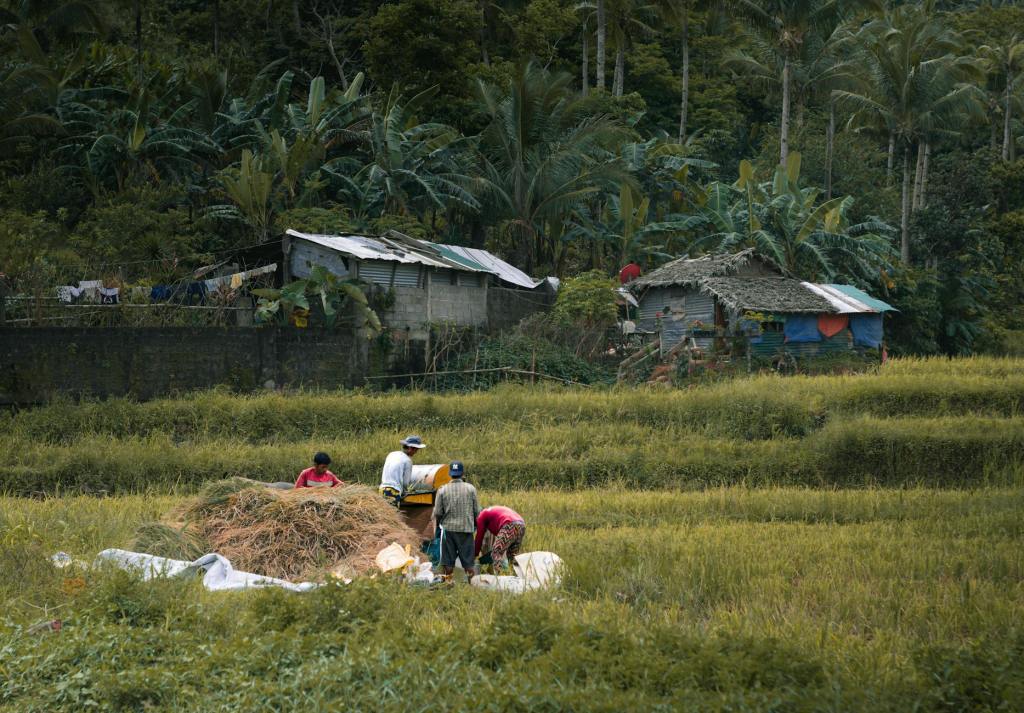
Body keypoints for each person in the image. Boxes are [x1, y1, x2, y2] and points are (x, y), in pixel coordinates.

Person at [433, 461, 480, 580]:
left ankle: (448, 584)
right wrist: (475, 526)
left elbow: (437, 512)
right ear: (462, 473)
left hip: (448, 530)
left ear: (450, 474)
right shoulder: (471, 489)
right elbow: (477, 511)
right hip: (466, 529)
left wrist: (438, 525)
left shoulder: (442, 490)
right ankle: (472, 584)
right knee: (468, 563)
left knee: (448, 562)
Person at [475, 506, 526, 572]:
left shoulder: (481, 516)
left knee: (496, 552)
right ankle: (516, 575)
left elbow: (479, 538)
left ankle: (499, 576)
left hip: (509, 525)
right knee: (512, 556)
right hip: (521, 525)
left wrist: (475, 554)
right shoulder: (490, 511)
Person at [379, 435, 426, 506]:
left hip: (382, 489)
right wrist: (405, 492)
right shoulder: (407, 460)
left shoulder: (391, 454)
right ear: (411, 448)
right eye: (416, 450)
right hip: (393, 491)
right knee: (393, 512)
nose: (416, 452)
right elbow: (405, 483)